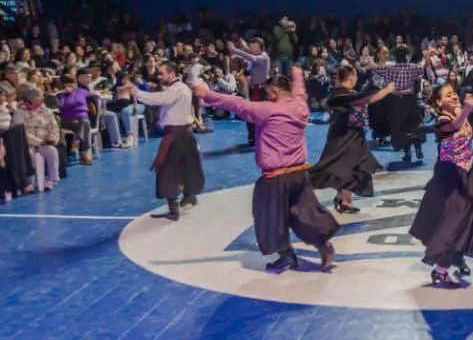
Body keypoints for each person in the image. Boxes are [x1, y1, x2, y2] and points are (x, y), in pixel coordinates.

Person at [194, 67, 338, 272]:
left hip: (276, 177)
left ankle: (286, 256)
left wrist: (206, 94)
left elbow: (237, 104)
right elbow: (300, 91)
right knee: (305, 213)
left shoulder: (268, 110)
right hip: (299, 174)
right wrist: (297, 74)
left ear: (275, 92)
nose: (267, 96)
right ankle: (323, 246)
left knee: (270, 217)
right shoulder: (300, 106)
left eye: (269, 92)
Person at [410, 71, 473, 286]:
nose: (454, 96)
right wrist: (466, 108)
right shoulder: (443, 120)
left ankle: (457, 255)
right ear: (439, 102)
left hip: (469, 173)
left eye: (453, 93)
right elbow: (455, 126)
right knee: (456, 220)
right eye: (448, 95)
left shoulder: (459, 110)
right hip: (449, 177)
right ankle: (440, 269)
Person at [310, 66, 396, 214]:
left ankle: (343, 198)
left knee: (358, 166)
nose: (357, 77)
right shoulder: (339, 95)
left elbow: (364, 100)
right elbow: (369, 98)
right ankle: (344, 200)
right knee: (343, 166)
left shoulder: (351, 94)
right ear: (351, 76)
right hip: (342, 137)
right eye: (355, 75)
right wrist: (387, 90)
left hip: (355, 136)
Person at [127, 61, 204, 221]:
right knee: (187, 166)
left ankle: (174, 210)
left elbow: (161, 98)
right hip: (186, 133)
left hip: (175, 135)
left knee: (167, 169)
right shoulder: (181, 87)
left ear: (171, 73)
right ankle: (189, 196)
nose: (159, 76)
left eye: (162, 73)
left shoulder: (176, 89)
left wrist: (138, 93)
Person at [230, 38, 272, 146]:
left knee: (262, 115)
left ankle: (264, 137)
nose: (251, 48)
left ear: (260, 47)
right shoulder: (255, 55)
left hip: (263, 90)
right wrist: (244, 46)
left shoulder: (264, 58)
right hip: (253, 89)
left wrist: (235, 50)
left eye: (254, 46)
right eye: (251, 46)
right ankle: (252, 137)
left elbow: (251, 57)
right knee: (250, 113)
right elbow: (249, 53)